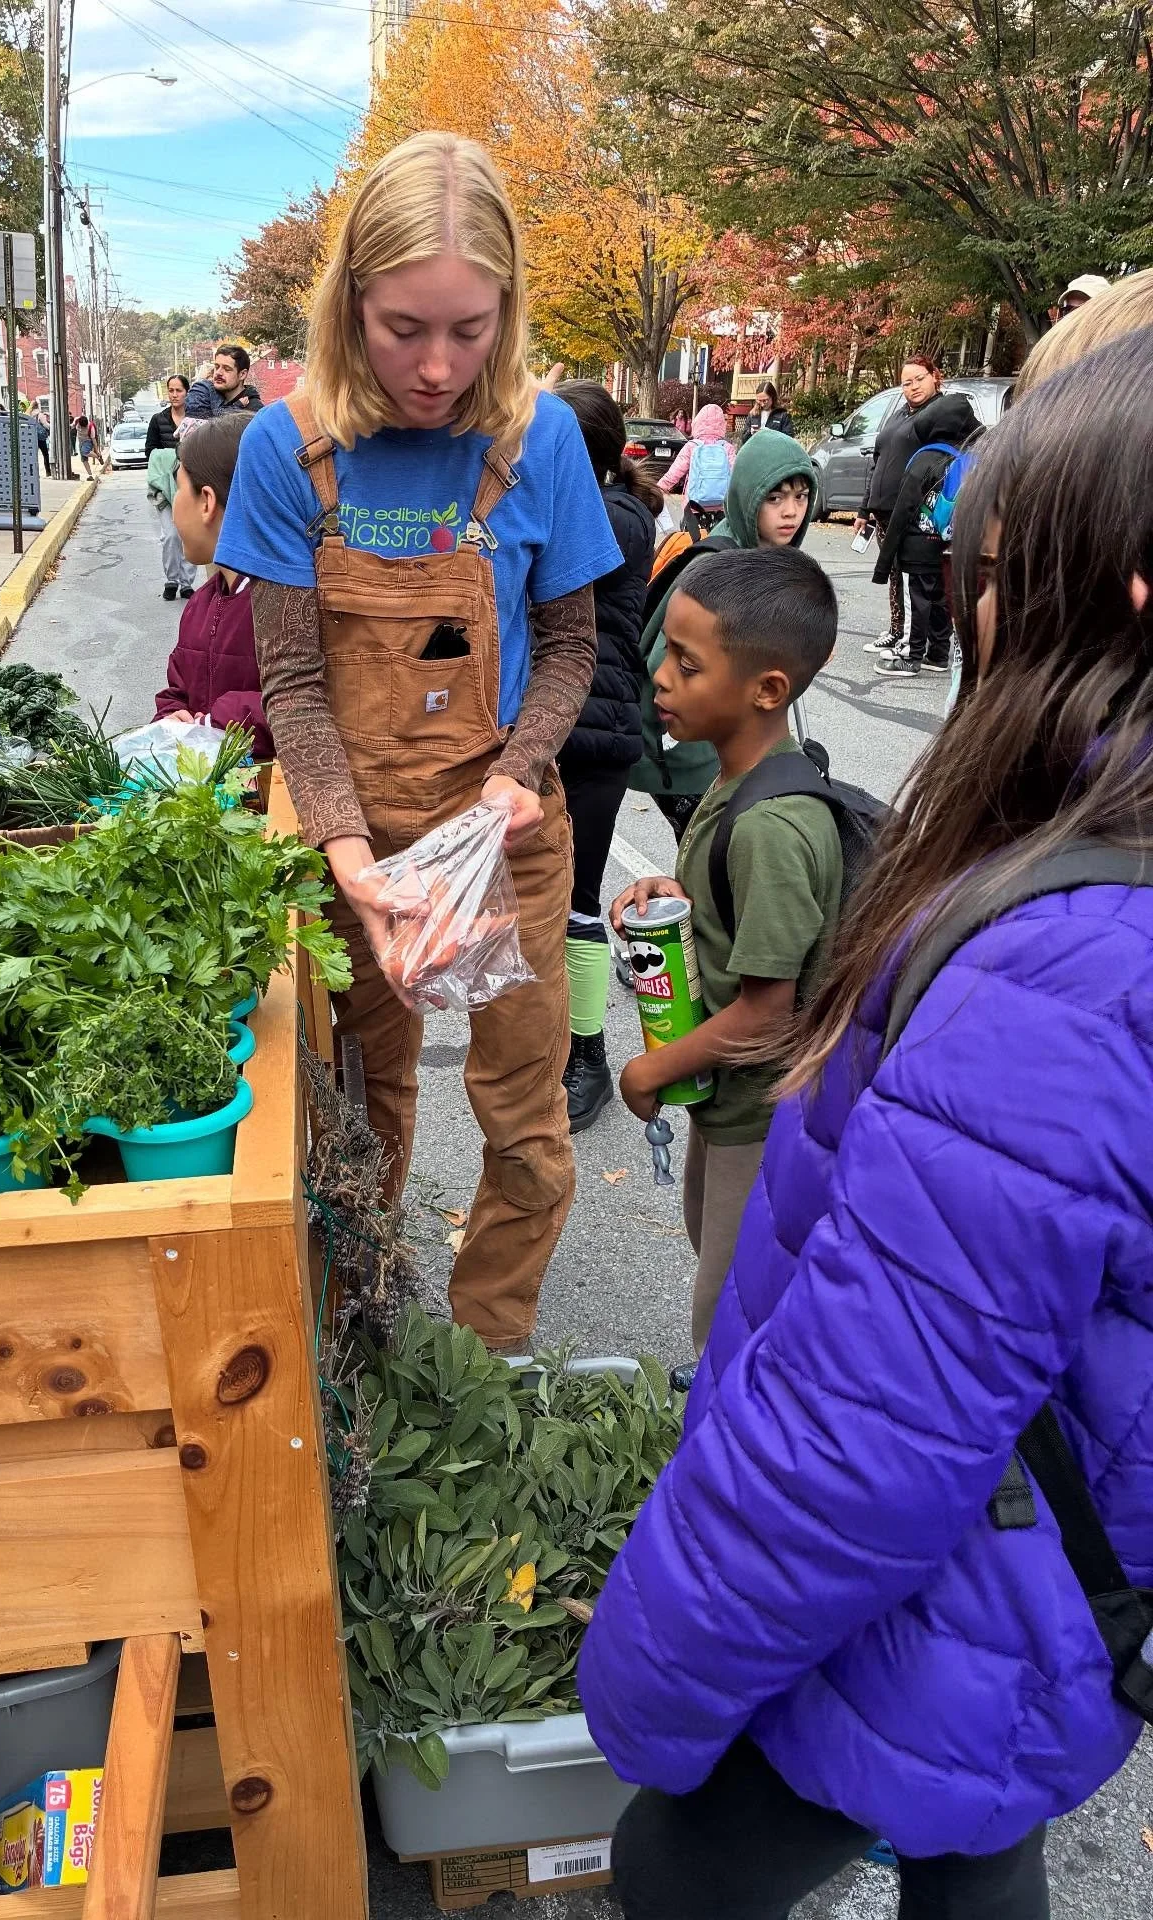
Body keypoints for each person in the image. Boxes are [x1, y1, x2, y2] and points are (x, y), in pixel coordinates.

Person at [581, 325, 1153, 1920]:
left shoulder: (1060, 977)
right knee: (983, 1838)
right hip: (1065, 1578)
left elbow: (854, 1444)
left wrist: (647, 1684)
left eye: (993, 562)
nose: (966, 597)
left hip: (978, 1584)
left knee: (676, 1870)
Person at [216, 130, 621, 1350]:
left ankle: (487, 1349)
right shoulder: (286, 451)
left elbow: (569, 649)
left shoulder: (540, 438)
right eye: (405, 328)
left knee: (524, 1112)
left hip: (503, 837)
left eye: (470, 327)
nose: (439, 367)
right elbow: (290, 677)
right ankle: (365, 1335)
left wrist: (513, 781)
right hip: (358, 845)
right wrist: (348, 854)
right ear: (349, 302)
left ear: (508, 308)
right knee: (359, 1106)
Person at [613, 545, 842, 1354]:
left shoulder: (771, 827)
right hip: (724, 1105)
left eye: (686, 663)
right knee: (712, 1252)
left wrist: (651, 1069)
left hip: (760, 1116)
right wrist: (674, 901)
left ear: (766, 690)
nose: (661, 680)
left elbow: (766, 1011)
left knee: (730, 1318)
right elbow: (730, 908)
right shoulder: (734, 781)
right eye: (662, 654)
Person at [551, 380, 659, 1130]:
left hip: (595, 734)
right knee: (542, 903)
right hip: (556, 729)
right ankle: (553, 1041)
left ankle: (586, 1052)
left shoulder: (616, 519)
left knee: (580, 903)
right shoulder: (593, 509)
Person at [630, 427, 820, 838]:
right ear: (748, 495)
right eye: (775, 497)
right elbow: (668, 660)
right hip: (691, 751)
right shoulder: (720, 567)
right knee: (714, 857)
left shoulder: (767, 561)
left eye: (801, 496)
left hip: (730, 745)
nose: (790, 511)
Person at [152, 413, 272, 756]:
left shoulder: (288, 604)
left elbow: (308, 706)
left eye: (178, 489)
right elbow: (177, 691)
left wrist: (213, 724)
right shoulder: (202, 602)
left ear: (206, 501)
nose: (174, 508)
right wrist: (170, 720)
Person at [870, 392, 978, 678]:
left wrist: (885, 561)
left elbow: (903, 510)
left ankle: (911, 656)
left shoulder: (924, 459)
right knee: (942, 599)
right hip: (950, 546)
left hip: (917, 546)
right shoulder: (972, 459)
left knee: (917, 599)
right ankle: (938, 654)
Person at [854, 353, 943, 657]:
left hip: (911, 511)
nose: (913, 387)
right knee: (893, 573)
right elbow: (877, 461)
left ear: (935, 376)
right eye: (907, 382)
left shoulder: (937, 413)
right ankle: (896, 629)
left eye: (920, 379)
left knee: (911, 577)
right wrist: (864, 509)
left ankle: (912, 639)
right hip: (882, 509)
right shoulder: (900, 413)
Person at [1015, 267, 1153, 397]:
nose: (1075, 318)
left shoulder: (1123, 364)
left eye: (1085, 310)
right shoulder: (1051, 362)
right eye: (1069, 310)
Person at [145, 376, 201, 599]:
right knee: (170, 535)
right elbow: (149, 452)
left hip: (190, 486)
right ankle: (171, 580)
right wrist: (169, 460)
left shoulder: (196, 420)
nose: (174, 394)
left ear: (186, 392)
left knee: (188, 533)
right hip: (163, 488)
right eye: (171, 390)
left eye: (179, 390)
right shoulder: (158, 420)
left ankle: (187, 583)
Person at [657, 403, 735, 539]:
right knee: (718, 544)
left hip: (694, 507)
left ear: (698, 423)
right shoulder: (727, 448)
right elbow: (736, 474)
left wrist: (657, 490)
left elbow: (674, 474)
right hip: (721, 507)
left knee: (692, 544)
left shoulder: (692, 447)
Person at [185, 345, 263, 418]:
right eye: (217, 367)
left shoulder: (254, 412)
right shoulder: (206, 397)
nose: (218, 373)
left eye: (227, 369)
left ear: (242, 374)